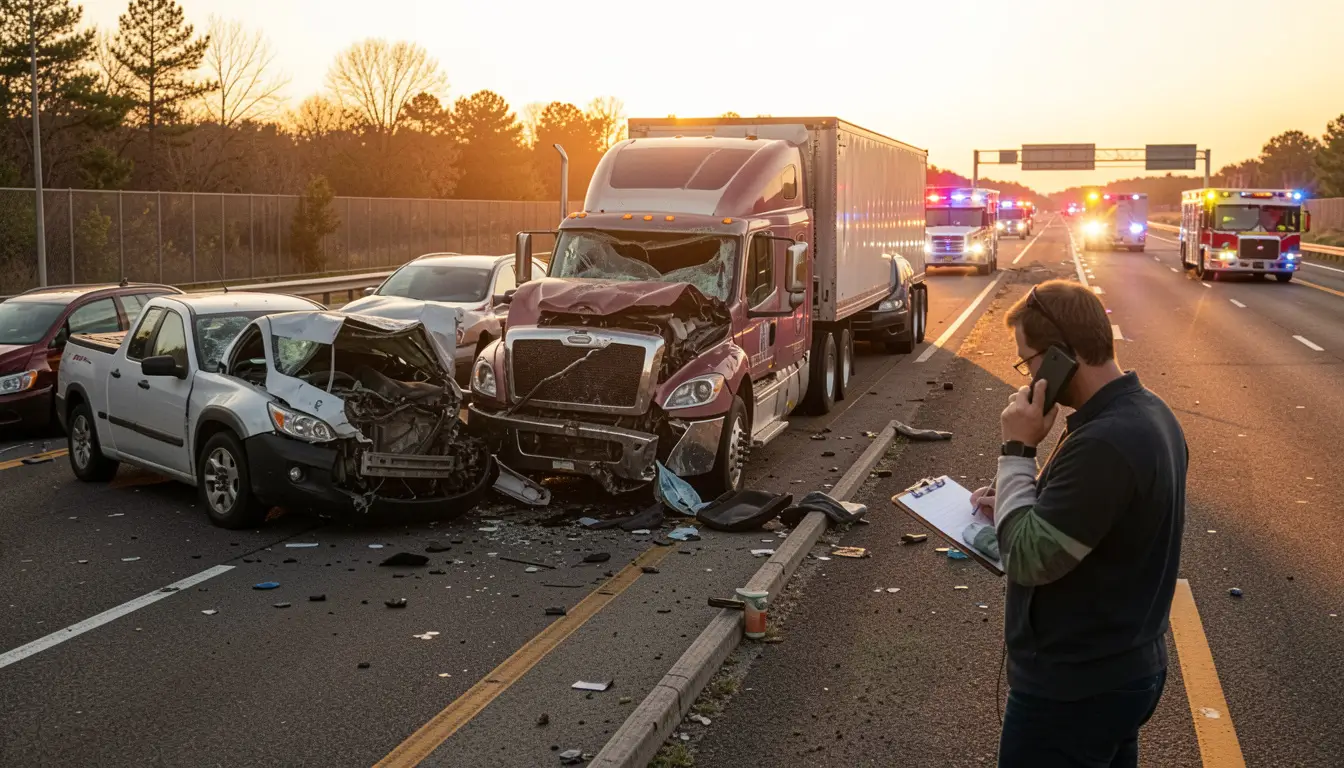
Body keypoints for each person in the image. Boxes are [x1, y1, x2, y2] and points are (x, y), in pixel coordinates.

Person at [974, 279, 1187, 768]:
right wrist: (1010, 499)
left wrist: (1018, 450)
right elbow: (1093, 521)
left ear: (1059, 357)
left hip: (1075, 687)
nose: (1027, 379)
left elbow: (1028, 559)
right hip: (1122, 670)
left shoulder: (1104, 443)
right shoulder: (1150, 413)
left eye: (1028, 362)